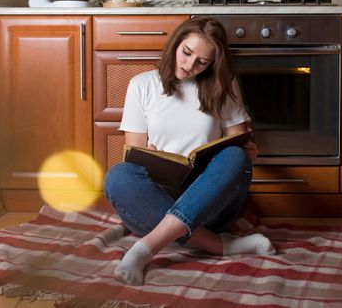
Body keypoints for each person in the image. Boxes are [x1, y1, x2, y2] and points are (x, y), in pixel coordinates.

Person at [104, 16, 275, 286]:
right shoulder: (142, 85)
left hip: (211, 205)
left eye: (202, 62)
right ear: (176, 43)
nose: (189, 65)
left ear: (212, 64)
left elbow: (238, 143)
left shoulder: (224, 86)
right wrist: (148, 153)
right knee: (118, 175)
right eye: (186, 53)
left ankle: (144, 249)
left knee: (235, 156)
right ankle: (220, 245)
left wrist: (249, 153)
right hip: (156, 202)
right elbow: (135, 153)